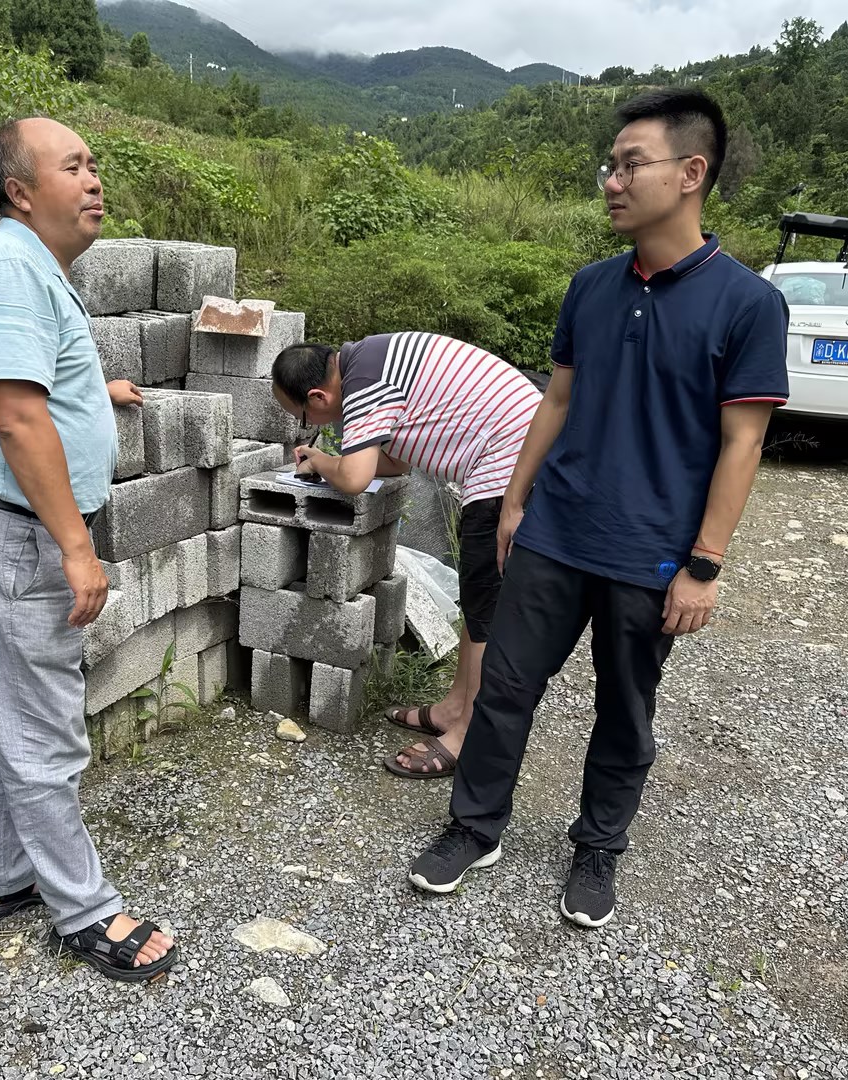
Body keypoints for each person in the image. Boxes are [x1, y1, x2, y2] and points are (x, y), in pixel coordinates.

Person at [407, 89, 791, 928]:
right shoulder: (591, 286)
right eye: (609, 167)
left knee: (624, 707)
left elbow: (744, 443)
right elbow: (557, 398)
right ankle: (475, 826)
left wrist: (704, 564)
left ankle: (599, 845)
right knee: (505, 685)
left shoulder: (748, 303)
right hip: (556, 529)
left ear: (691, 173)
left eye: (630, 164)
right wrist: (515, 500)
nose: (612, 182)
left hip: (652, 550)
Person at [0, 116, 178, 982]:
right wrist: (77, 546)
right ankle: (86, 911)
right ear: (21, 191)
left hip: (7, 527)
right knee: (44, 730)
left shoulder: (32, 268)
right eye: (73, 166)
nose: (95, 179)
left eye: (94, 165)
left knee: (12, 711)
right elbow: (15, 416)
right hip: (18, 533)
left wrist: (91, 390)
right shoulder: (7, 267)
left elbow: (32, 384)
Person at [270, 334, 542, 778]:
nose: (306, 425)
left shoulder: (363, 385)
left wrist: (319, 461)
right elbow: (395, 464)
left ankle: (469, 734)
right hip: (513, 442)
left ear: (318, 397)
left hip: (510, 456)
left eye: (302, 417)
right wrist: (331, 456)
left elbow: (355, 478)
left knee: (486, 609)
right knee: (478, 604)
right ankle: (454, 708)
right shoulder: (366, 364)